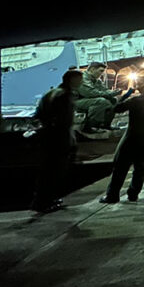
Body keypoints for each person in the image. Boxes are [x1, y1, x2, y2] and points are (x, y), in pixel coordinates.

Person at [100, 76, 144, 204]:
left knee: (121, 166)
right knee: (141, 168)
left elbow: (116, 108)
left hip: (133, 136)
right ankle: (133, 194)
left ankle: (112, 195)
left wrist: (128, 94)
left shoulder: (136, 100)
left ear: (140, 85)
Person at [30, 70, 83, 213]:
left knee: (46, 171)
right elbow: (64, 121)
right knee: (55, 171)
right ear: (72, 80)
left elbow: (38, 115)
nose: (81, 82)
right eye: (79, 79)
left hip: (47, 137)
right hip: (59, 139)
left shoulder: (51, 93)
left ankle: (42, 201)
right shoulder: (64, 96)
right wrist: (70, 140)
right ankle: (46, 202)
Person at [75, 61, 122, 135]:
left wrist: (113, 92)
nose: (102, 73)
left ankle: (105, 125)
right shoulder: (83, 78)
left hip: (86, 100)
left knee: (114, 100)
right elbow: (89, 93)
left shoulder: (97, 80)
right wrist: (111, 93)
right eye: (100, 71)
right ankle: (90, 126)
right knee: (101, 101)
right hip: (76, 102)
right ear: (92, 69)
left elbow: (104, 90)